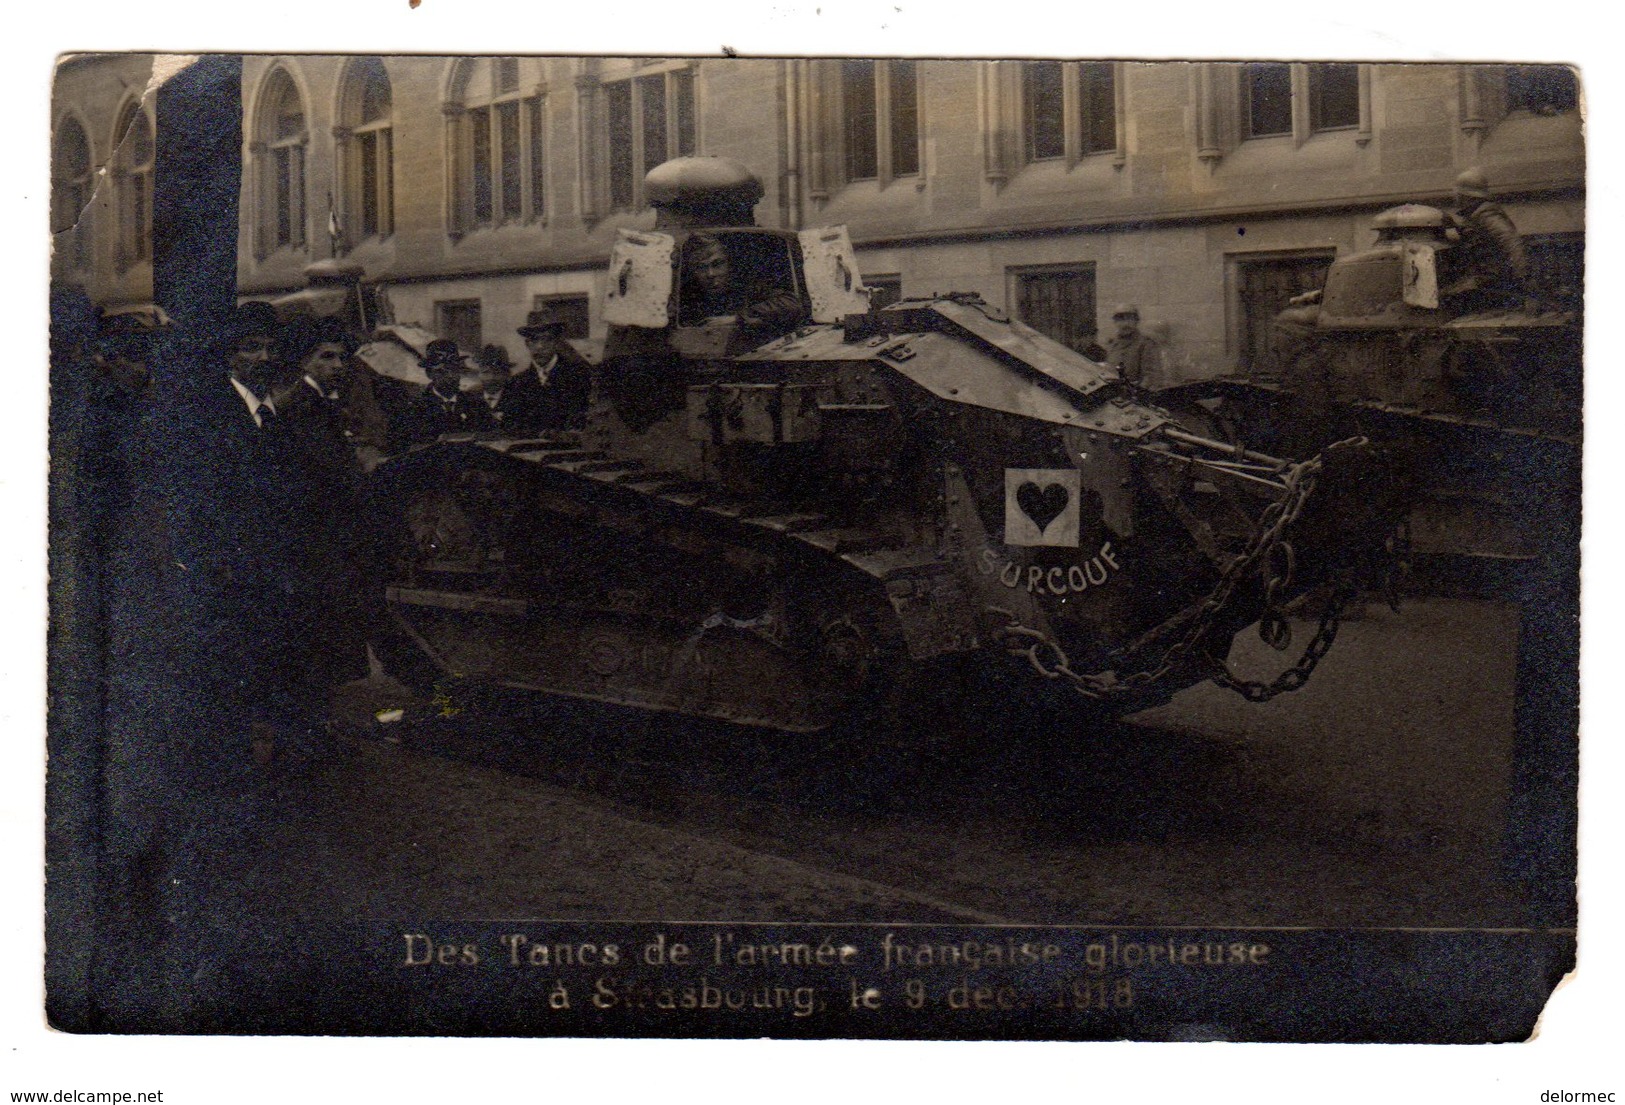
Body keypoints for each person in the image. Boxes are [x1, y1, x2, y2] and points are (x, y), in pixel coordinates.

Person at [677, 233, 806, 339]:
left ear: (729, 263)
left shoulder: (747, 286)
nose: (710, 274)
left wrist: (737, 318)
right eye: (700, 267)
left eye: (718, 264)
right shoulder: (687, 294)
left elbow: (791, 304)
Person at [1444, 167, 1529, 311]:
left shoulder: (1486, 214)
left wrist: (1525, 280)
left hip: (1492, 279)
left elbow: (1510, 241)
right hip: (1485, 276)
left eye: (1457, 193)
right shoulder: (1475, 214)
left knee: (1443, 298)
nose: (1455, 197)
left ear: (1465, 195)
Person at [500, 308, 593, 434]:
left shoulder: (579, 376)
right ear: (527, 344)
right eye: (534, 340)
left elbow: (586, 422)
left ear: (556, 343)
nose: (540, 346)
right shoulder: (516, 383)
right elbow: (509, 427)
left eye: (546, 339)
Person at [394, 338, 494, 448]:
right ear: (429, 374)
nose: (451, 376)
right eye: (442, 371)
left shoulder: (477, 405)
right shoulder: (414, 410)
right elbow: (404, 449)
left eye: (454, 369)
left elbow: (492, 440)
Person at [1103, 303, 1162, 389]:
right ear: (1115, 322)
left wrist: (1136, 392)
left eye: (1130, 319)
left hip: (1135, 395)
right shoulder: (1111, 344)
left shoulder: (1145, 344)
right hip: (1113, 394)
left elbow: (1150, 376)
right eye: (1120, 319)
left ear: (1136, 321)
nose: (1125, 324)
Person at [474, 343, 519, 429]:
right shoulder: (470, 399)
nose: (491, 378)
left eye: (497, 373)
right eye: (485, 372)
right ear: (479, 374)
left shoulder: (517, 399)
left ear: (507, 375)